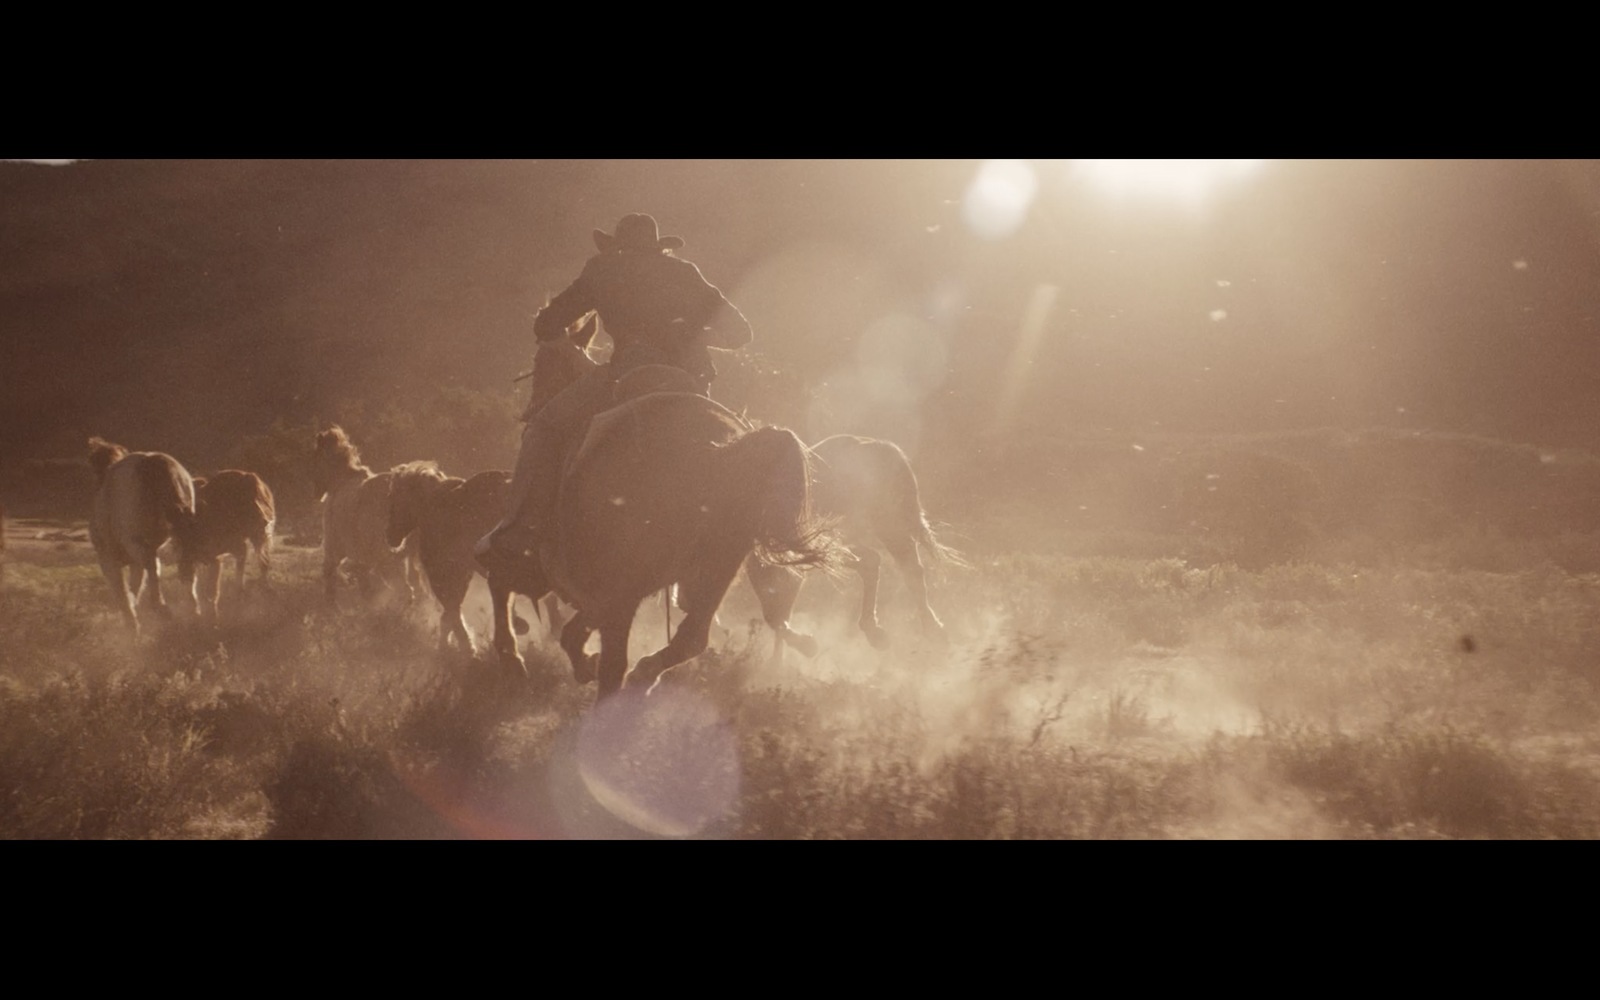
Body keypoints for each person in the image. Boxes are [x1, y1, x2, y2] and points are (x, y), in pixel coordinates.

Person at [477, 213, 753, 563]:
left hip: (629, 377)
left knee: (543, 428)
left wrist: (567, 347)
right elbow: (742, 334)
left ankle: (516, 529)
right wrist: (690, 336)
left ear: (617, 246)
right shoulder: (684, 272)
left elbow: (546, 324)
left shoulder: (603, 269)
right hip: (691, 386)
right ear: (660, 247)